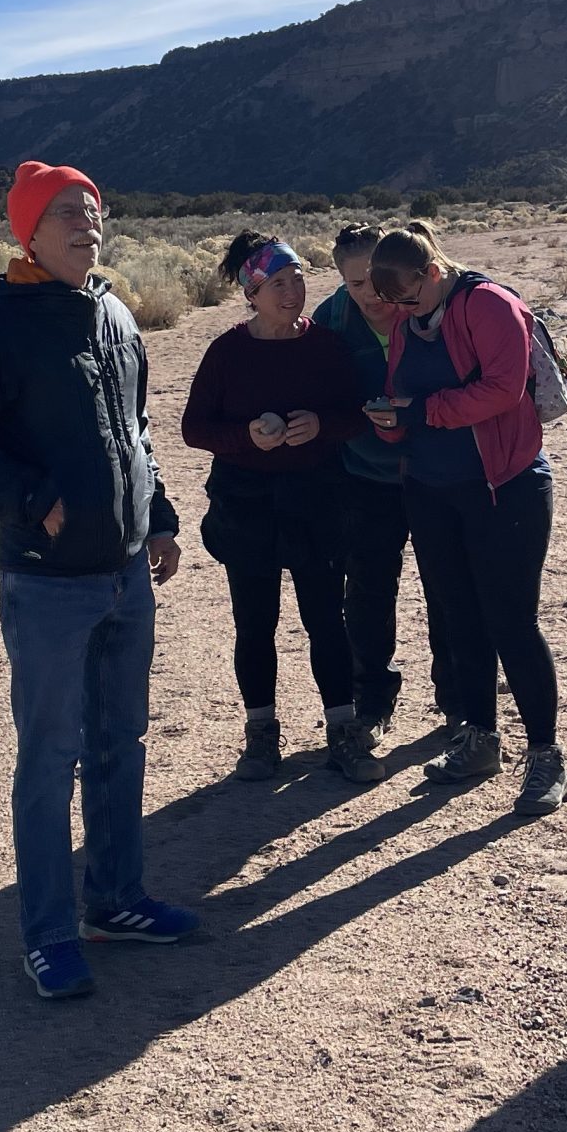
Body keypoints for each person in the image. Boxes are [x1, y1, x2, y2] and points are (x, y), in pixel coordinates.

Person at [0, 160, 198, 1000]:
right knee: (50, 758)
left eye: (94, 210)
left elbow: (134, 430)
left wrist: (158, 514)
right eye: (68, 212)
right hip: (46, 584)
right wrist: (31, 500)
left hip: (124, 574)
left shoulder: (114, 312)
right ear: (29, 232)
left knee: (122, 742)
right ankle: (47, 935)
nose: (88, 224)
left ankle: (115, 899)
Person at [363, 221, 567, 817]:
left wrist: (422, 412)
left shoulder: (489, 304)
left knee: (511, 623)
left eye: (409, 298)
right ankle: (479, 739)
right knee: (459, 618)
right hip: (431, 489)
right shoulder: (409, 317)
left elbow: (503, 390)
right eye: (394, 304)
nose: (401, 313)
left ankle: (546, 755)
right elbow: (405, 393)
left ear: (431, 271)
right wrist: (392, 420)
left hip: (504, 487)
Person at [181, 233, 382, 786]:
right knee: (255, 624)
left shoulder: (325, 346)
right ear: (252, 292)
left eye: (297, 279)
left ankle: (342, 732)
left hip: (317, 502)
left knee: (326, 620)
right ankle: (261, 734)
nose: (292, 292)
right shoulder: (227, 352)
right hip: (246, 505)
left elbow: (355, 415)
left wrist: (321, 425)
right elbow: (195, 428)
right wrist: (245, 436)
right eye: (278, 283)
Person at [312, 222, 448, 744]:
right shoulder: (331, 321)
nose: (371, 294)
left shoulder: (427, 309)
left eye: (376, 279)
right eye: (355, 284)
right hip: (365, 476)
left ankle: (458, 700)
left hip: (434, 471)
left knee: (447, 587)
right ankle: (372, 700)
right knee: (368, 591)